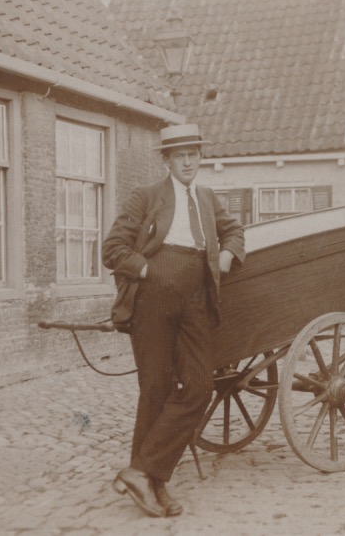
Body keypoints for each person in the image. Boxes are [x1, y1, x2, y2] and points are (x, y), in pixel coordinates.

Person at [102, 123, 245, 517]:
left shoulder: (207, 198)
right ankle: (155, 483)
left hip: (196, 297)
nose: (187, 162)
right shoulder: (146, 196)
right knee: (156, 388)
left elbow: (234, 230)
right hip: (154, 297)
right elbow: (113, 248)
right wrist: (149, 271)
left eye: (193, 155)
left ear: (200, 157)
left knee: (199, 387)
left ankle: (140, 471)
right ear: (166, 160)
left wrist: (228, 252)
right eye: (179, 156)